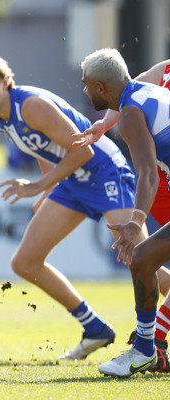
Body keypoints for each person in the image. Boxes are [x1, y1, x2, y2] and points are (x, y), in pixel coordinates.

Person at [0, 53, 143, 361]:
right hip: (74, 180)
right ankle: (96, 329)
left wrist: (38, 186)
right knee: (25, 263)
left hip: (104, 172)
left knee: (141, 261)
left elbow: (83, 152)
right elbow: (40, 146)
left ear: (7, 82)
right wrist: (48, 185)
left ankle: (152, 339)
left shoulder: (30, 105)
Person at [74, 58, 170, 374]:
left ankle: (146, 348)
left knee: (141, 259)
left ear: (102, 87)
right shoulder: (143, 90)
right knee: (143, 260)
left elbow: (148, 174)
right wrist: (103, 125)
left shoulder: (130, 115)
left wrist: (134, 223)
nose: (84, 89)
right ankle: (150, 345)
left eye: (87, 83)